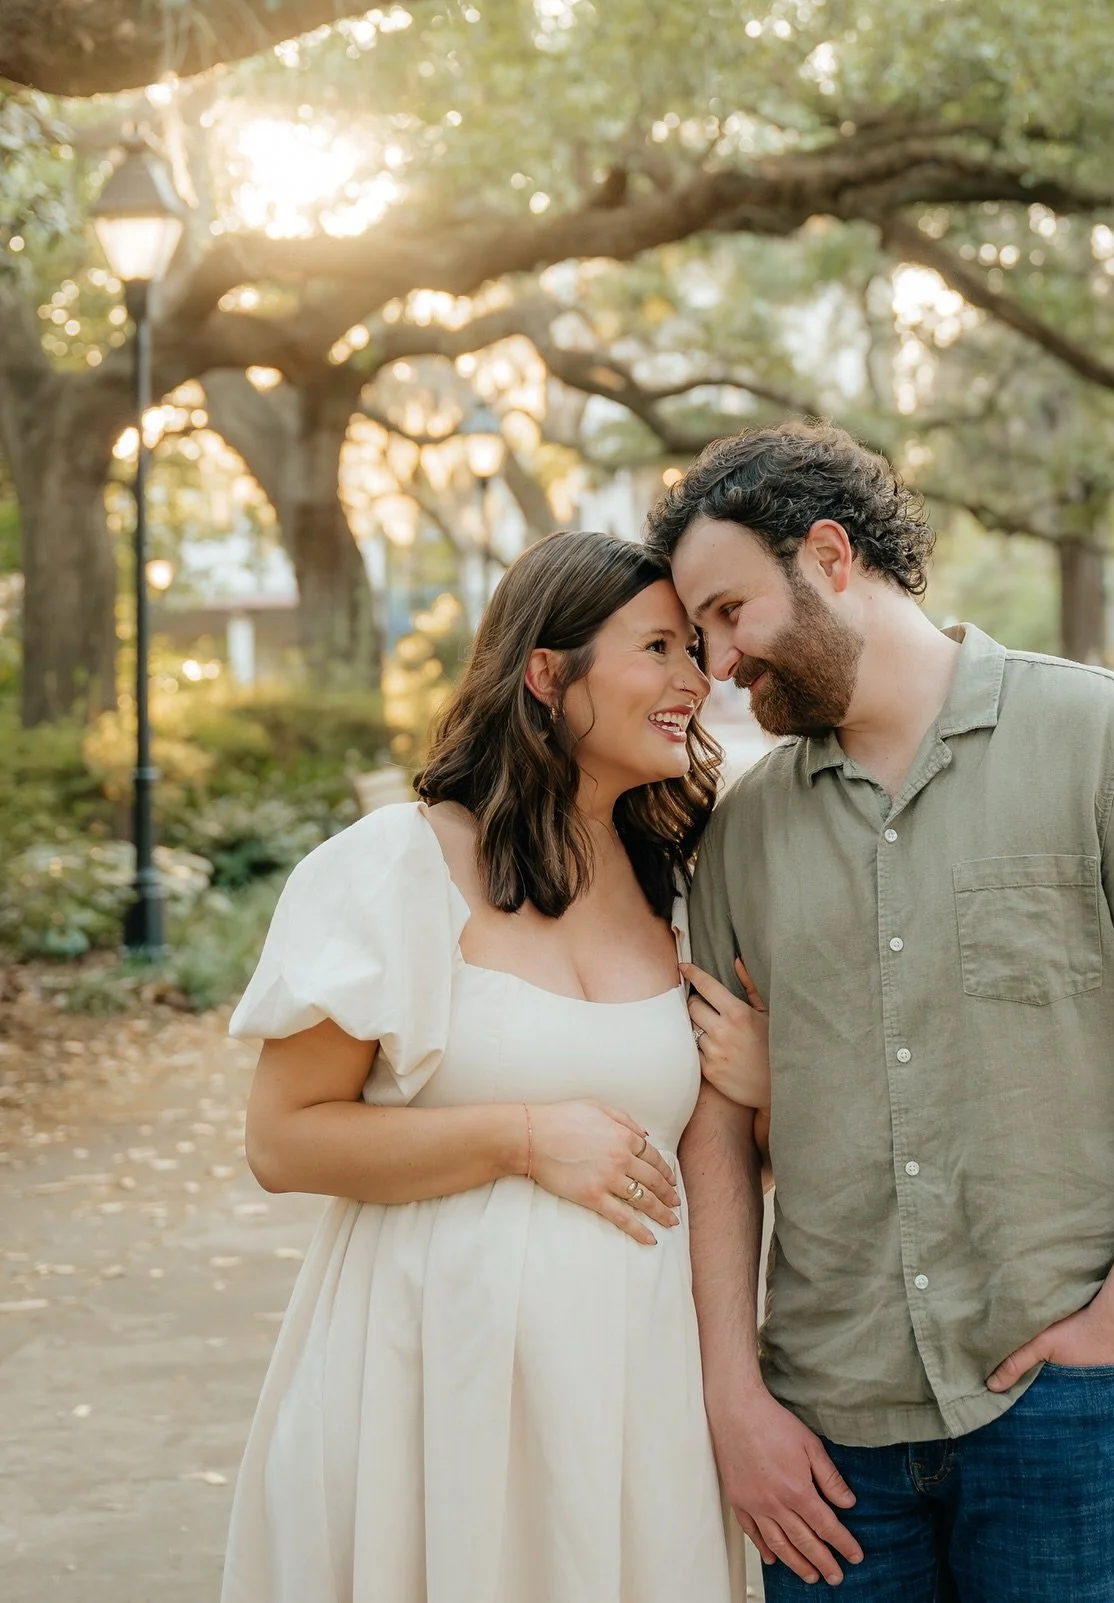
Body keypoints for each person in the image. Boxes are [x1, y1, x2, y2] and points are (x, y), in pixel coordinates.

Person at [647, 424, 1114, 1603]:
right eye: (702, 635)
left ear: (831, 556)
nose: (723, 660)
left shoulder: (1103, 738)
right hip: (829, 1434)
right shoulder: (743, 832)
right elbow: (717, 1129)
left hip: (1068, 1399)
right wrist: (733, 1397)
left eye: (734, 613)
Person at [221, 531, 749, 1603]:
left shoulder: (681, 891)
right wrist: (519, 1135)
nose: (695, 679)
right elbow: (282, 1139)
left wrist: (773, 1084)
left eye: (697, 647)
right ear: (547, 674)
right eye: (658, 646)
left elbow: (720, 1168)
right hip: (424, 1383)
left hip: (629, 1393)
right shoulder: (396, 869)